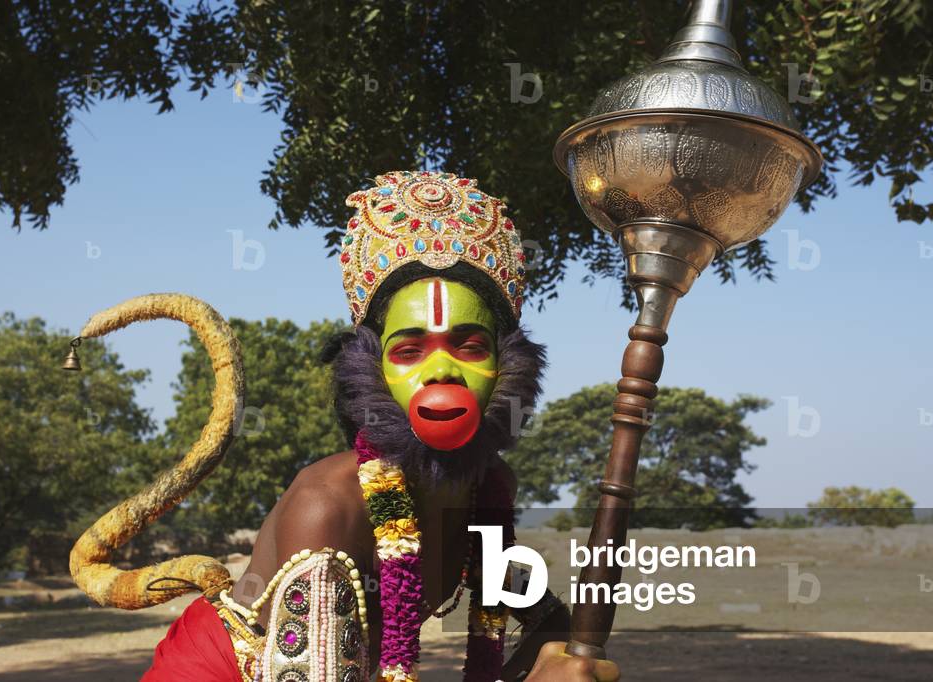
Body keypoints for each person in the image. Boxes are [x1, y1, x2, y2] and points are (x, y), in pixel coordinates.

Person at [77, 171, 619, 681]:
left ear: (508, 365)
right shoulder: (329, 506)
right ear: (371, 370)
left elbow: (549, 622)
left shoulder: (488, 492)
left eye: (470, 346)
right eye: (409, 350)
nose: (442, 371)